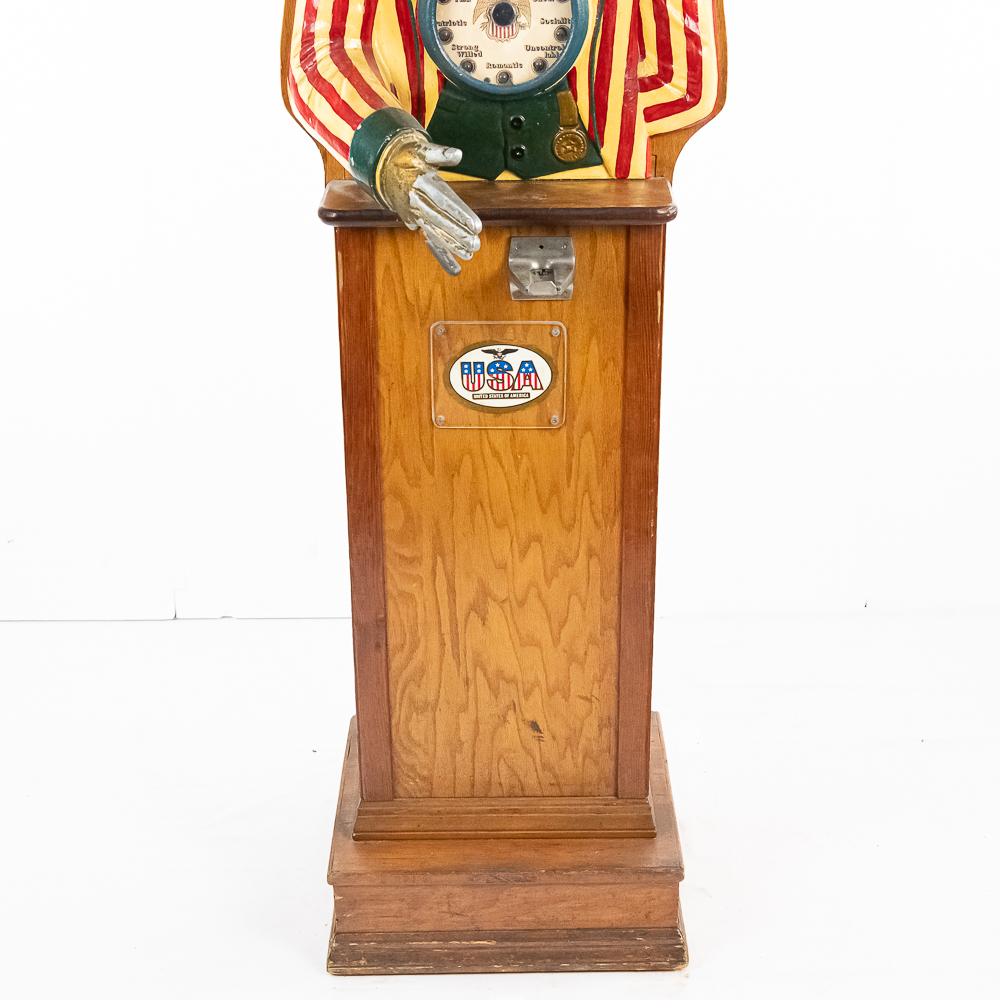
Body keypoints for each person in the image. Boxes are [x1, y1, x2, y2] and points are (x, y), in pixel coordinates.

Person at [286, 0, 721, 272]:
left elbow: (682, 79)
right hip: (417, 213)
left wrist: (611, 111)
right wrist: (389, 155)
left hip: (605, 201)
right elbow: (319, 54)